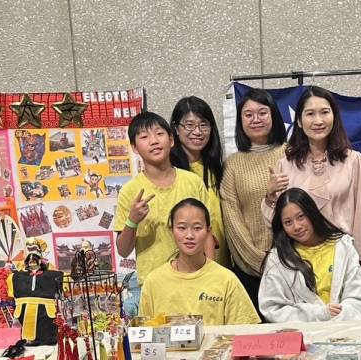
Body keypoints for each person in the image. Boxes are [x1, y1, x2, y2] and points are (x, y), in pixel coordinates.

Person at [262, 86, 361, 269]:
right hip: (300, 259)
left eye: (324, 112)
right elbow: (277, 222)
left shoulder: (353, 160)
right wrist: (270, 195)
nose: (318, 120)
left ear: (334, 116)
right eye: (310, 114)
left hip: (342, 257)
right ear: (300, 121)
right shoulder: (285, 165)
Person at [116, 112, 215, 286]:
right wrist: (132, 221)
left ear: (171, 140)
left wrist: (211, 276)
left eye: (159, 134)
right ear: (134, 147)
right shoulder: (129, 191)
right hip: (153, 285)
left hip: (195, 279)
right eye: (144, 137)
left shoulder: (192, 182)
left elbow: (207, 234)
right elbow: (123, 251)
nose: (154, 141)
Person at [259, 188, 361, 322]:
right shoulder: (277, 258)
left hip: (345, 331)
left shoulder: (343, 246)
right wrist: (317, 314)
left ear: (311, 213)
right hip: (301, 335)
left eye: (301, 217)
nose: (297, 226)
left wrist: (338, 316)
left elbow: (359, 298)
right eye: (288, 222)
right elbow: (272, 308)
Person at [139, 199, 260, 325]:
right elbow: (145, 334)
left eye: (197, 228)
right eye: (182, 228)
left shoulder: (226, 280)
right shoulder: (153, 281)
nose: (189, 235)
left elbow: (243, 331)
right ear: (172, 230)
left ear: (208, 231)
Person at [220, 89, 287, 308]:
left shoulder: (293, 153)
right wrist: (259, 260)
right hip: (250, 269)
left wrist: (287, 260)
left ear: (274, 116)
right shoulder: (233, 164)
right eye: (248, 115)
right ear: (240, 122)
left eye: (262, 112)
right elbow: (232, 217)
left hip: (293, 264)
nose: (255, 119)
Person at [170, 97, 230, 267]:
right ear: (176, 128)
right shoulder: (171, 171)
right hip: (190, 266)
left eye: (203, 125)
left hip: (221, 263)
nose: (197, 131)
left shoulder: (217, 167)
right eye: (189, 125)